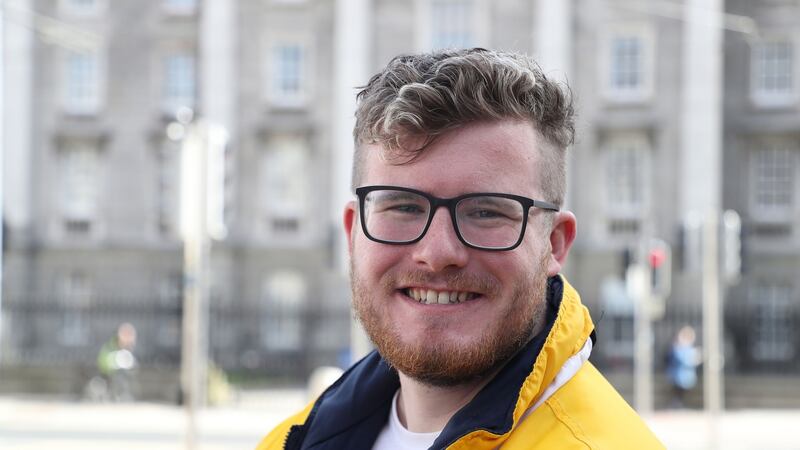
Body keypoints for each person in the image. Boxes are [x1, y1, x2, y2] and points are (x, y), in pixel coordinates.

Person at [257, 48, 664, 449]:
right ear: (352, 233)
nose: (436, 253)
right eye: (402, 206)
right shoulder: (289, 441)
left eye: (485, 212)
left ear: (554, 244)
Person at [96, 322, 138, 402]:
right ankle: (115, 395)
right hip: (108, 371)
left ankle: (123, 394)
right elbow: (105, 360)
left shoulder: (128, 348)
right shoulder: (111, 345)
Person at [666, 325, 701, 408]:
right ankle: (676, 403)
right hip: (678, 374)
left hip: (685, 375)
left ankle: (678, 403)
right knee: (678, 390)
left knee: (681, 391)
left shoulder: (688, 349)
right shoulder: (677, 348)